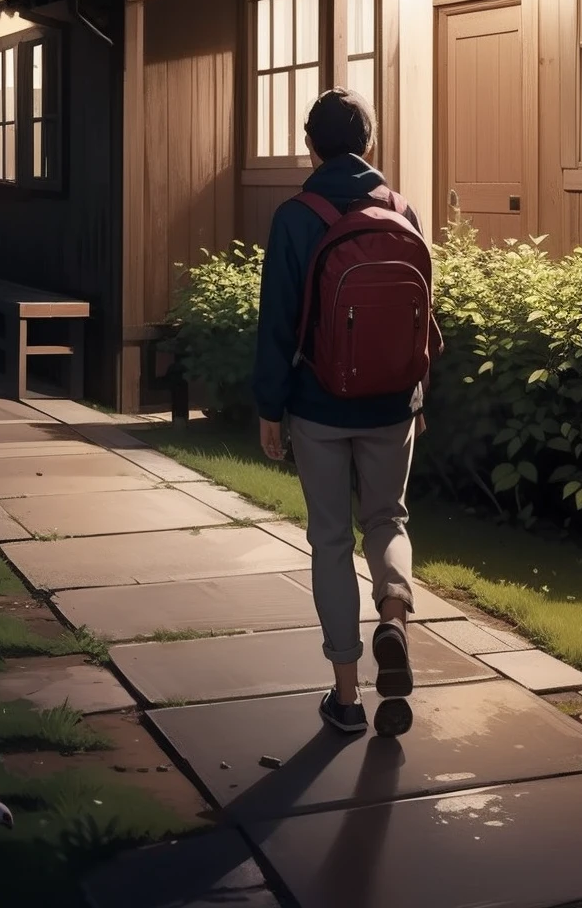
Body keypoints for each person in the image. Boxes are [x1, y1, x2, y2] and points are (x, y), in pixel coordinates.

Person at [253, 87, 427, 738]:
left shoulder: (297, 217)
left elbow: (277, 323)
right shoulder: (402, 208)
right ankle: (393, 619)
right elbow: (421, 315)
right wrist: (418, 394)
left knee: (330, 542)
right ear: (370, 145)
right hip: (393, 403)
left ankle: (347, 698)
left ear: (311, 146)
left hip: (319, 402)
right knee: (388, 519)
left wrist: (270, 407)